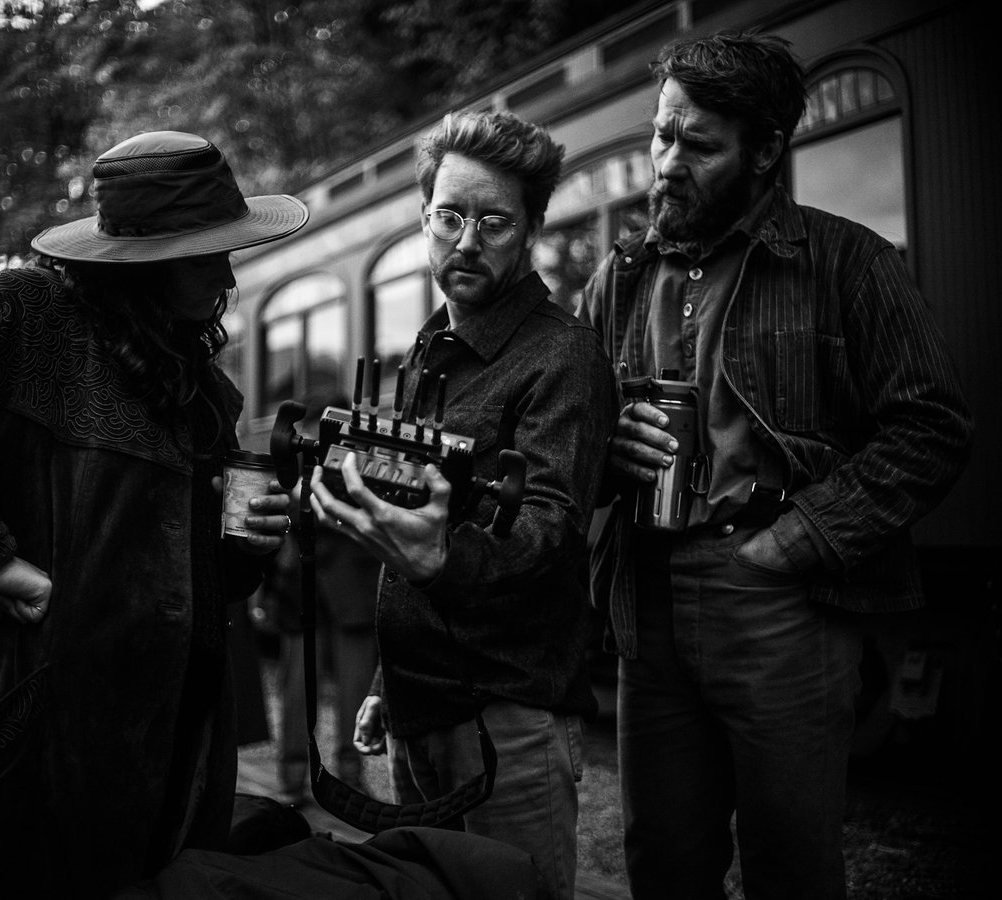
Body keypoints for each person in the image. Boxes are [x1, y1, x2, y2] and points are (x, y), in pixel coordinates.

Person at [0, 131, 305, 899]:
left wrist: (248, 544)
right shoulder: (31, 317)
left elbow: (199, 589)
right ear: (148, 258)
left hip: (171, 758)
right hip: (35, 751)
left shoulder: (205, 391)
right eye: (209, 250)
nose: (227, 270)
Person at [578, 31, 973, 900]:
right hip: (645, 600)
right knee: (664, 863)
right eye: (661, 134)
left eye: (699, 145)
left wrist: (797, 541)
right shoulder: (621, 278)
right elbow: (567, 438)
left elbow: (933, 427)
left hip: (779, 593)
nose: (667, 164)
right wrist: (603, 454)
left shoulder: (846, 261)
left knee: (790, 865)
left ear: (765, 153)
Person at [309, 110, 614, 900]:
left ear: (532, 227)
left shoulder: (564, 353)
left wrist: (442, 557)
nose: (466, 241)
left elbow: (548, 528)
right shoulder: (424, 352)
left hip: (507, 716)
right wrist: (385, 678)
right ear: (424, 219)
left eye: (493, 220)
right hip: (422, 703)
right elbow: (415, 520)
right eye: (448, 216)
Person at [262, 391, 380, 805]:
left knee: (355, 693)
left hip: (354, 590)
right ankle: (292, 780)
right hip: (302, 589)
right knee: (295, 693)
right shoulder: (295, 451)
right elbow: (283, 503)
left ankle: (349, 777)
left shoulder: (366, 453)